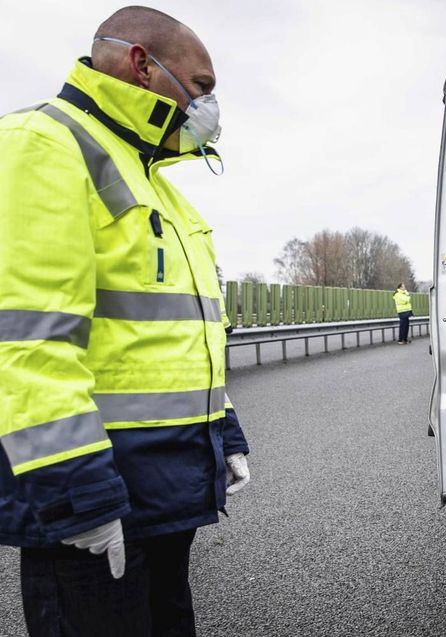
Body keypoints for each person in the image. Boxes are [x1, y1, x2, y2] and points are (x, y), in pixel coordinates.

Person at [0, 7, 250, 635]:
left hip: (163, 487)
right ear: (142, 64)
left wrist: (225, 429)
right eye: (201, 87)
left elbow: (176, 334)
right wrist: (76, 493)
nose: (208, 107)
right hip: (98, 487)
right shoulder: (44, 144)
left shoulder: (153, 177)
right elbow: (27, 341)